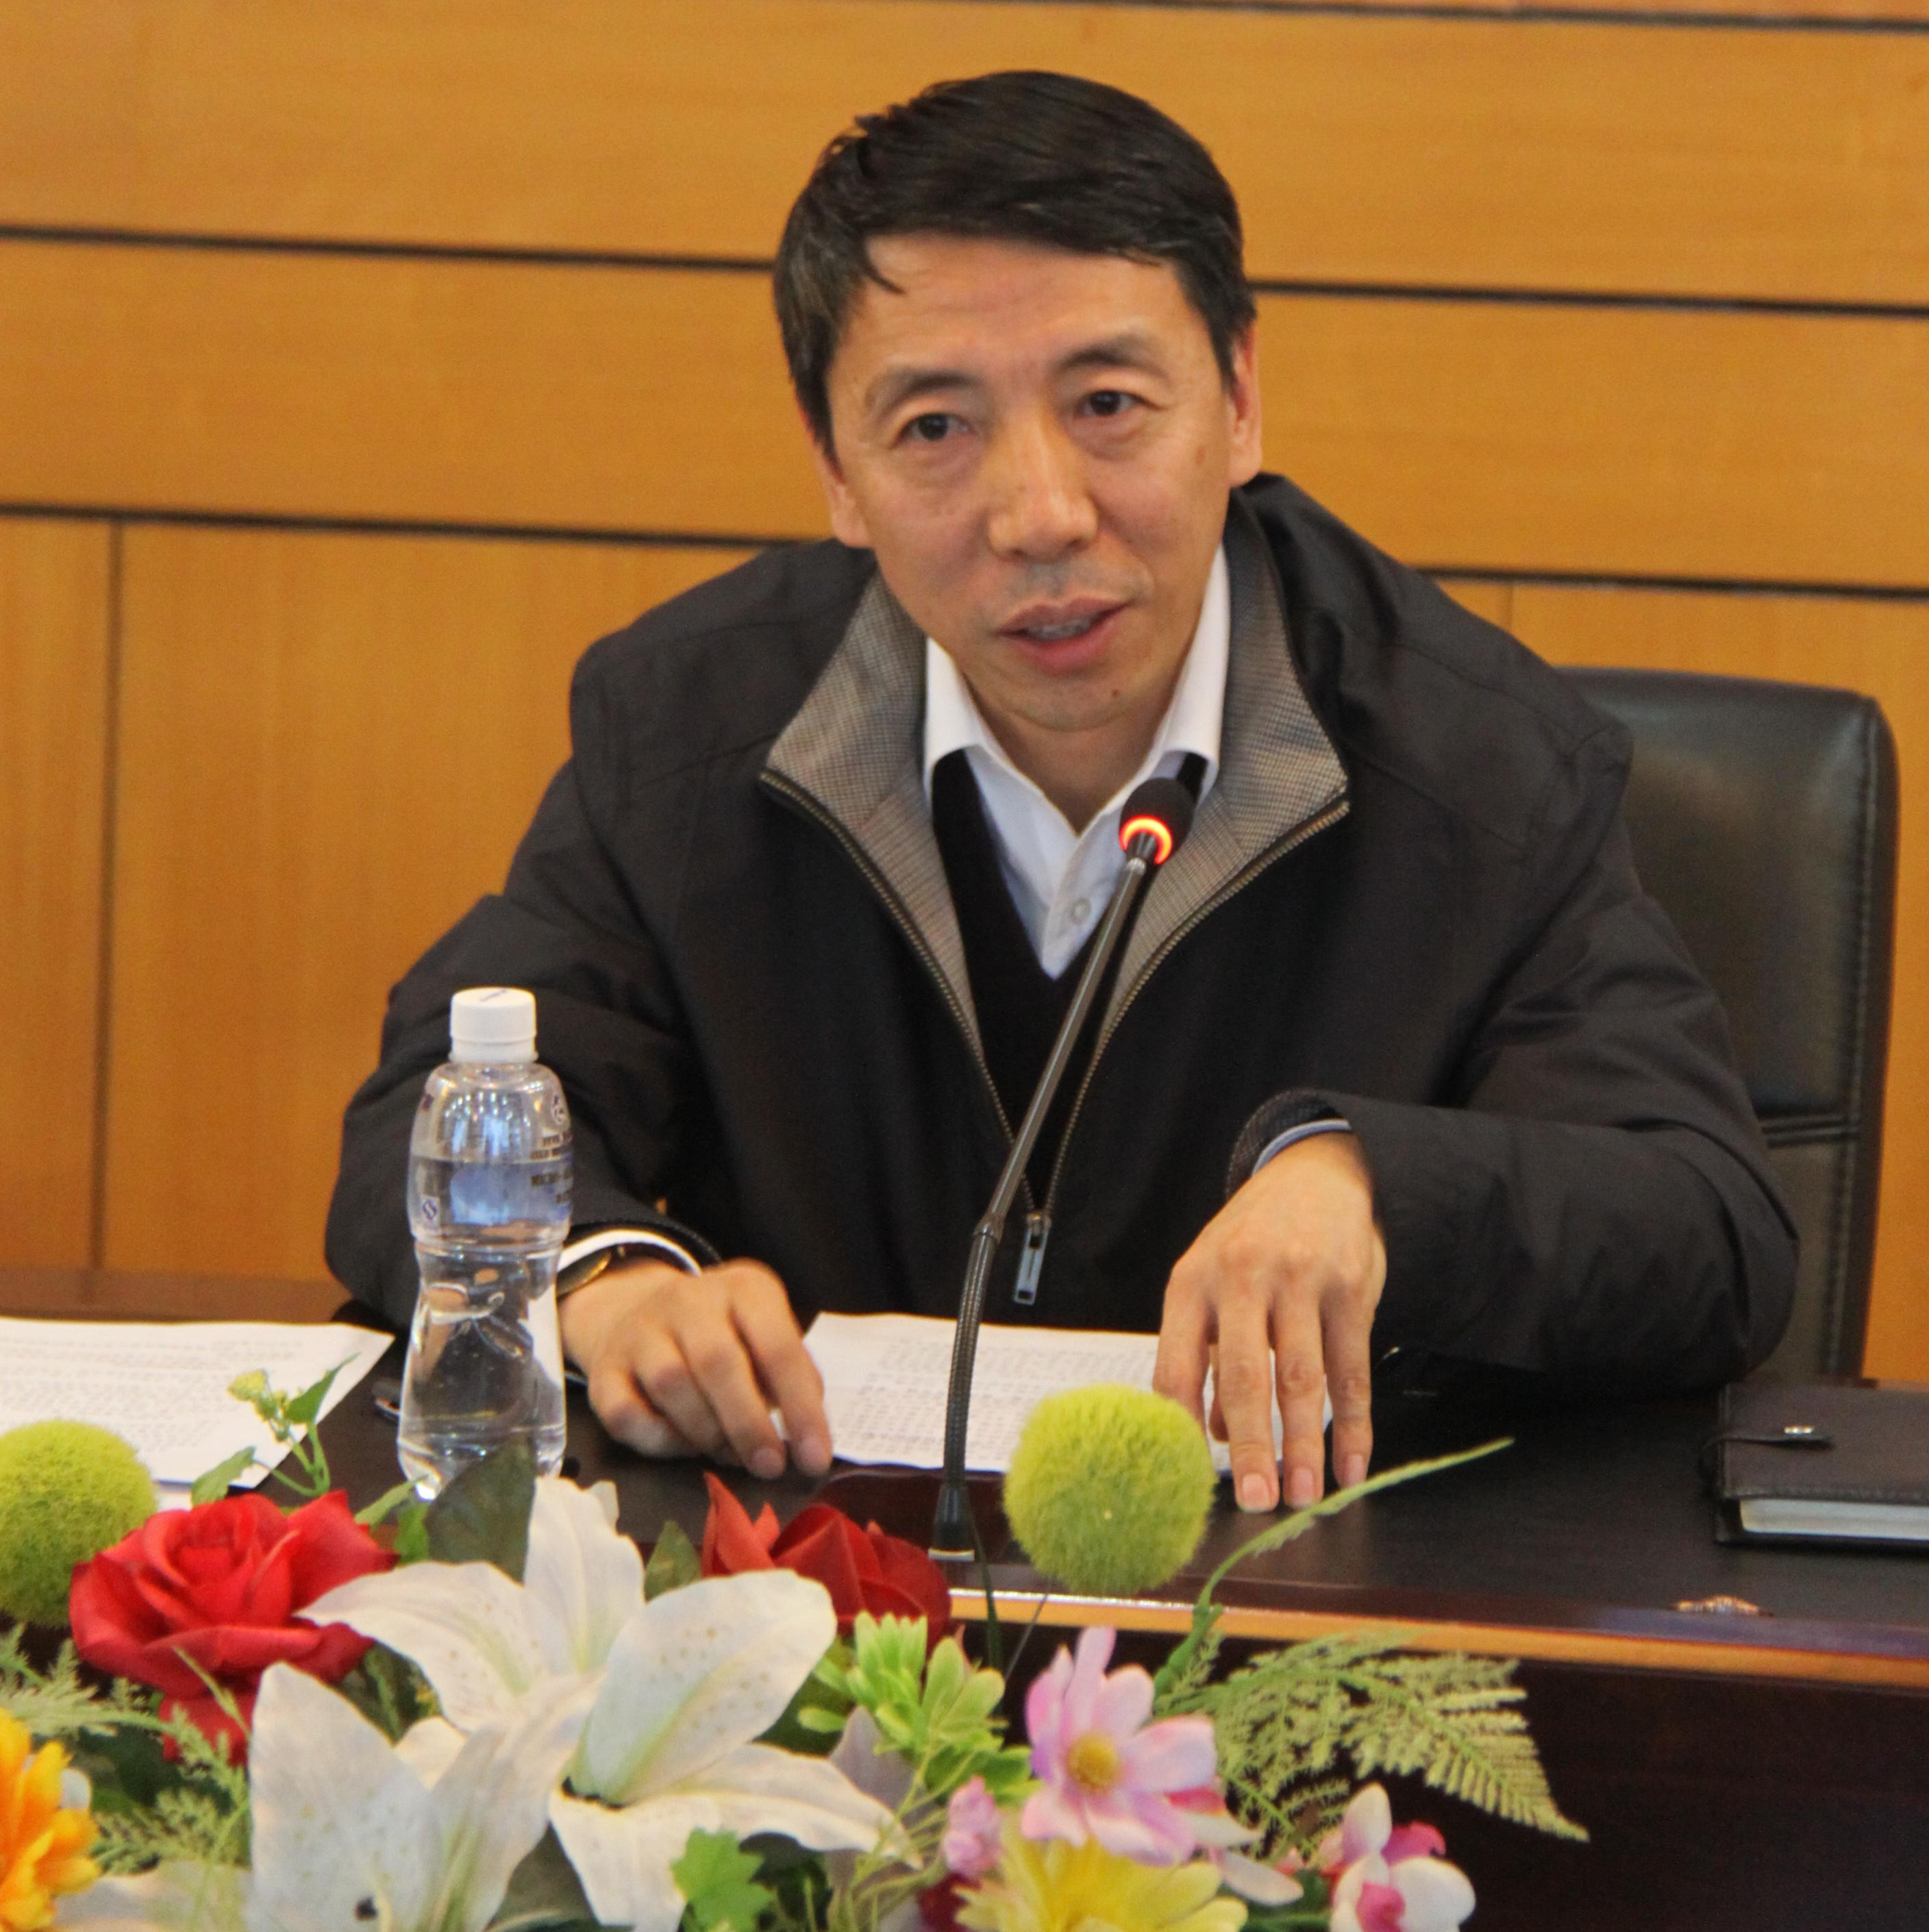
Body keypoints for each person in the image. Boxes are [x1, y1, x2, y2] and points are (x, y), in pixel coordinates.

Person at [328, 73, 1795, 1514]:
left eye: (1107, 404)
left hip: (1289, 1590)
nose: (1041, 515)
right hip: (816, 1588)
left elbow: (1708, 1225)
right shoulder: (691, 733)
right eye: (935, 429)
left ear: (1238, 400)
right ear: (835, 470)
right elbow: (433, 1109)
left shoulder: (1479, 768)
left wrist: (1370, 1184)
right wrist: (604, 1281)